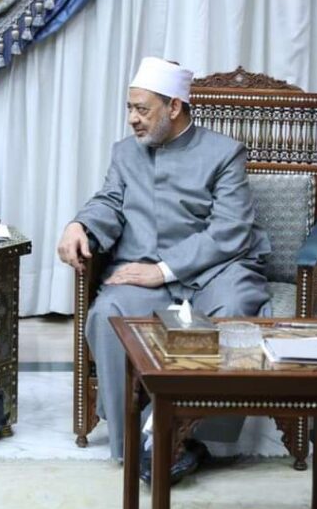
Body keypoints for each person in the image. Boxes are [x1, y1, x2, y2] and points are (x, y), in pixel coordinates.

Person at [56, 57, 271, 483]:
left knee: (235, 309)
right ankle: (138, 443)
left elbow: (230, 229)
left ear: (174, 107)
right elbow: (109, 203)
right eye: (130, 108)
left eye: (142, 109)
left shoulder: (225, 153)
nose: (132, 119)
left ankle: (194, 436)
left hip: (215, 270)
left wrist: (165, 270)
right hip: (142, 271)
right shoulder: (125, 153)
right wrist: (79, 224)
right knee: (108, 313)